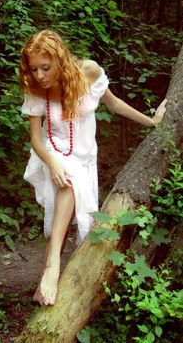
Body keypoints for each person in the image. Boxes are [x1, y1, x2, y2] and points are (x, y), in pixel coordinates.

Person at [19, 29, 167, 306]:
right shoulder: (37, 88)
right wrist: (52, 163)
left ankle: (44, 281)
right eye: (34, 68)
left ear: (60, 58)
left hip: (84, 157)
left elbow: (113, 104)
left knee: (62, 214)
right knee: (68, 183)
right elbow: (36, 140)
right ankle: (52, 267)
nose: (39, 75)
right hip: (54, 152)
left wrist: (152, 122)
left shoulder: (88, 71)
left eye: (45, 67)